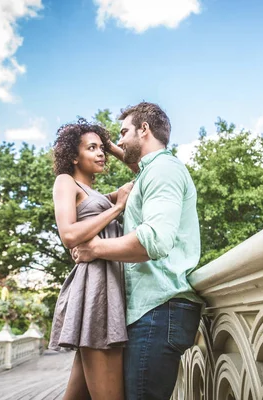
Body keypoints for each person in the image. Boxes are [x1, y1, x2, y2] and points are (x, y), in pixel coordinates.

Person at [73, 102, 204, 400]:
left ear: (144, 129)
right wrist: (102, 139)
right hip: (151, 312)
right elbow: (136, 163)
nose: (117, 143)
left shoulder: (163, 170)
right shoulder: (150, 171)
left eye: (122, 133)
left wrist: (95, 248)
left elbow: (154, 239)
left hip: (160, 311)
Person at [48, 119, 136, 400]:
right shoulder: (66, 182)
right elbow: (69, 235)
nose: (101, 154)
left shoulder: (99, 195)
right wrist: (118, 208)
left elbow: (142, 169)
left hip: (109, 288)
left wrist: (108, 142)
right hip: (95, 291)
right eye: (92, 148)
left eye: (102, 149)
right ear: (74, 156)